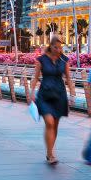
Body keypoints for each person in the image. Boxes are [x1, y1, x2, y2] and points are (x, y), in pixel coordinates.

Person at [28, 34, 74, 165]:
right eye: (56, 47)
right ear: (51, 46)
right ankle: (50, 153)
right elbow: (35, 77)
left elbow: (69, 78)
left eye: (60, 47)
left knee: (55, 125)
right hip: (45, 94)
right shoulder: (41, 59)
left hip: (59, 94)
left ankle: (50, 152)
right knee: (49, 123)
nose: (58, 50)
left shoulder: (64, 60)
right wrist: (32, 92)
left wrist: (72, 94)